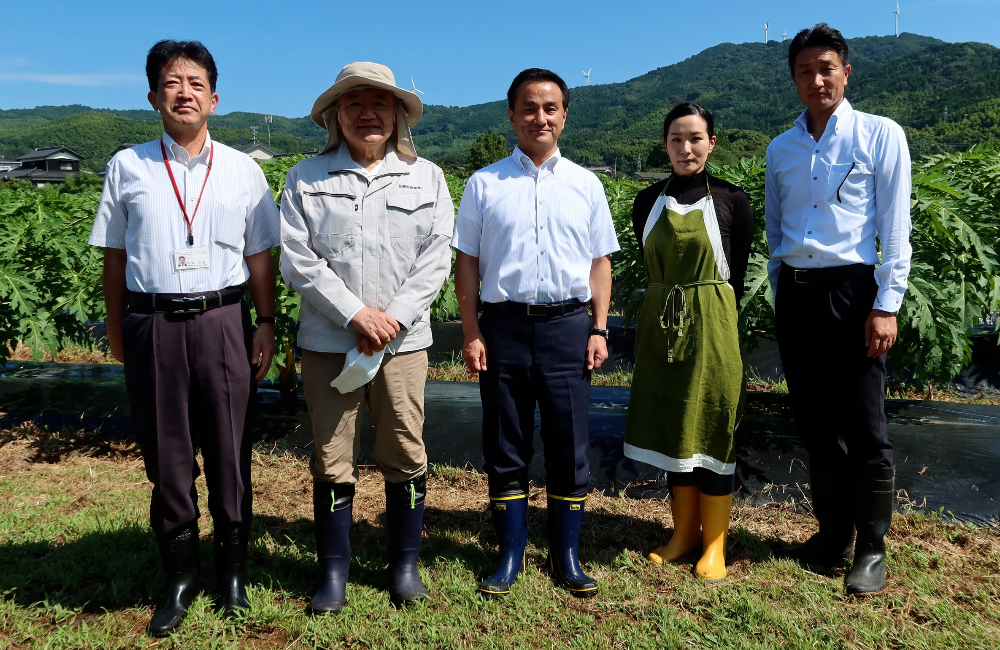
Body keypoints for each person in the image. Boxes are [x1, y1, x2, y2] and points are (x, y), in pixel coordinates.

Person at [88, 40, 279, 636]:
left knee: (230, 449)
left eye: (196, 83)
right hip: (153, 322)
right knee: (166, 453)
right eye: (172, 83)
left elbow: (260, 257)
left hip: (224, 320)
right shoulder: (128, 166)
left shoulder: (244, 170)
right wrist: (117, 328)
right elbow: (115, 257)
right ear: (153, 97)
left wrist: (266, 322)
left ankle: (233, 572)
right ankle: (180, 575)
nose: (184, 93)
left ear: (214, 99)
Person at [279, 62, 454, 612]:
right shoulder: (305, 178)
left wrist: (392, 318)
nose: (367, 113)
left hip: (403, 344)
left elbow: (436, 257)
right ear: (336, 115)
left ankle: (404, 566)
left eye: (380, 102)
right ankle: (334, 574)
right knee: (332, 455)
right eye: (353, 103)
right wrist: (356, 314)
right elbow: (298, 260)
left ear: (398, 115)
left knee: (404, 449)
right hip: (329, 344)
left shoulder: (427, 177)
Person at [453, 68, 620, 599]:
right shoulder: (484, 184)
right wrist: (472, 331)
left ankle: (566, 554)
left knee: (569, 440)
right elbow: (467, 263)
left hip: (569, 327)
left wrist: (599, 327)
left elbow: (600, 263)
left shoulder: (587, 184)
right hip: (504, 326)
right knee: (506, 440)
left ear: (564, 115)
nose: (539, 117)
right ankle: (511, 552)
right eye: (528, 107)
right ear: (511, 115)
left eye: (550, 108)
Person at [766, 24, 911, 596]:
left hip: (854, 293)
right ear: (793, 79)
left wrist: (886, 304)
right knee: (815, 423)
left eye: (826, 68)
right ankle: (832, 534)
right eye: (805, 70)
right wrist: (781, 293)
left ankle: (871, 548)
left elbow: (894, 229)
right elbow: (776, 229)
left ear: (846, 72)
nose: (817, 79)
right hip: (797, 293)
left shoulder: (879, 135)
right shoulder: (781, 148)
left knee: (865, 425)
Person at [624, 103, 754, 582]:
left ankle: (714, 544)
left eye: (696, 138)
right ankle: (682, 534)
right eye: (676, 139)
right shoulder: (646, 202)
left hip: (712, 325)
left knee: (712, 425)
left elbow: (735, 275)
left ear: (711, 143)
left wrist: (705, 312)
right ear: (665, 145)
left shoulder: (733, 200)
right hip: (660, 326)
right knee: (674, 427)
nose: (686, 148)